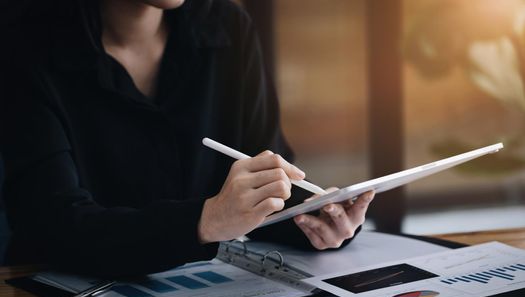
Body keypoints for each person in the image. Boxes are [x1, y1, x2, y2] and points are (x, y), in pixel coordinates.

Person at [0, 0, 374, 277]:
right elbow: (54, 225)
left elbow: (266, 180)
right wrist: (205, 221)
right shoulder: (25, 42)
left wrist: (319, 219)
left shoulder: (228, 27)